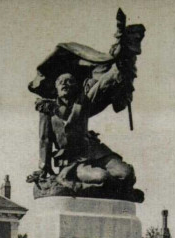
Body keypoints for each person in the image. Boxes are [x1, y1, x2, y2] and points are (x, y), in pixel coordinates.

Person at [26, 10, 146, 202]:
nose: (65, 84)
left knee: (127, 173)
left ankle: (119, 189)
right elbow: (45, 140)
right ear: (55, 89)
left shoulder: (84, 101)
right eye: (61, 82)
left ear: (76, 88)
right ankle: (81, 184)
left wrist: (124, 60)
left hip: (96, 152)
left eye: (70, 82)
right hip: (74, 161)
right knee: (102, 177)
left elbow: (105, 82)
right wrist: (44, 167)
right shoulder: (48, 111)